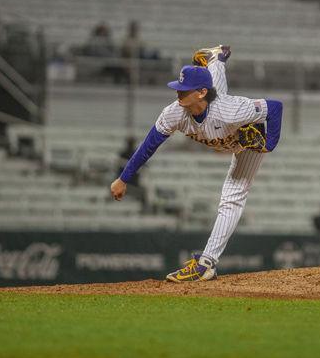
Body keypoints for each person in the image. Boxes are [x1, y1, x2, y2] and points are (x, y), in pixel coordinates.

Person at [110, 45, 283, 282]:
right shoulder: (174, 113)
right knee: (217, 94)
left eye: (184, 90)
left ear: (199, 92)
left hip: (248, 136)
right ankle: (217, 57)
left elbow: (275, 107)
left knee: (232, 196)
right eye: (178, 88)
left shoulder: (231, 111)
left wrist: (267, 145)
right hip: (219, 119)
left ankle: (206, 264)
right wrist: (123, 178)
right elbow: (150, 143)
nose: (178, 92)